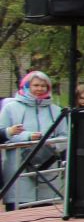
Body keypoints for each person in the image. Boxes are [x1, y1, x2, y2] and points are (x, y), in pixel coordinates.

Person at [1, 71, 62, 208]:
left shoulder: (56, 111)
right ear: (27, 86)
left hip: (48, 166)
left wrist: (52, 145)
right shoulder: (10, 108)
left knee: (46, 213)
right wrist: (27, 137)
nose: (40, 89)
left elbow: (65, 136)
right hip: (18, 167)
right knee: (17, 214)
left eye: (43, 85)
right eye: (35, 85)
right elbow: (3, 134)